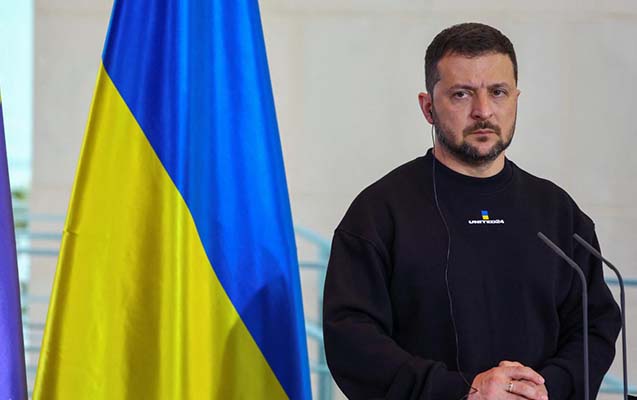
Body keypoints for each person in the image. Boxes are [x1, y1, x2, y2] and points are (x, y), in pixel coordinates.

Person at [322, 22, 621, 400]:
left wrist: (544, 390)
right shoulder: (378, 213)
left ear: (516, 99)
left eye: (498, 92)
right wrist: (464, 392)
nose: (483, 111)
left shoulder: (558, 211)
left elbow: (595, 324)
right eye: (461, 94)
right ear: (428, 107)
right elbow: (351, 338)